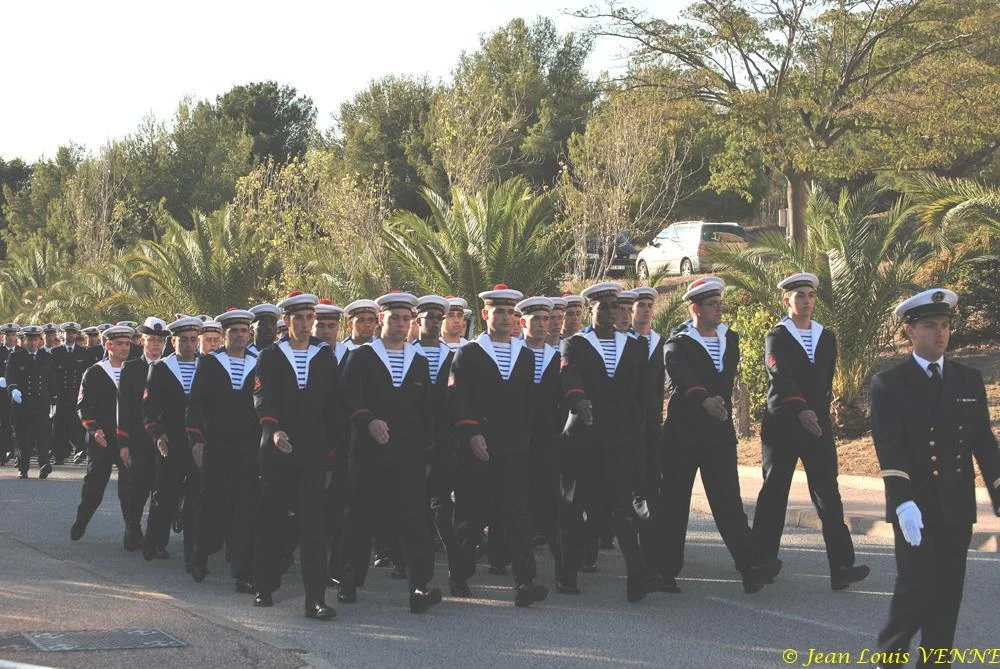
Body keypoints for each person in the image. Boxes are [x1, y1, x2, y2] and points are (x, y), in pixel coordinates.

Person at [870, 288, 1000, 666]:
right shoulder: (889, 384)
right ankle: (889, 657)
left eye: (944, 326)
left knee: (947, 597)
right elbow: (889, 448)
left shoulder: (968, 379)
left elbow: (984, 444)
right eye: (930, 326)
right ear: (910, 331)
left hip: (957, 505)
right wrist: (902, 501)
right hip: (916, 506)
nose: (940, 333)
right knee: (917, 591)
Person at [659, 278, 782, 594]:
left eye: (719, 303)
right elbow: (681, 374)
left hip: (718, 433)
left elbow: (721, 379)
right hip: (683, 434)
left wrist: (716, 403)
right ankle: (664, 570)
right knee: (675, 503)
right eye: (712, 304)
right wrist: (704, 399)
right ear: (695, 307)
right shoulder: (678, 342)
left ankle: (750, 567)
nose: (719, 309)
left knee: (728, 502)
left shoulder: (731, 339)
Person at [751, 272, 869, 590]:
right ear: (786, 300)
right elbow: (781, 375)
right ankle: (760, 562)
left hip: (816, 426)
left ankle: (842, 566)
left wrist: (818, 413)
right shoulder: (776, 337)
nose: (806, 301)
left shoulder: (825, 336)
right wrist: (800, 409)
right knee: (775, 492)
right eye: (799, 295)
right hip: (783, 425)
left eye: (810, 295)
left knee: (828, 493)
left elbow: (825, 380)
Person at [337, 291, 442, 613]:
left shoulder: (419, 361)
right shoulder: (362, 357)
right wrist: (367, 421)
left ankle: (419, 586)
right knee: (360, 516)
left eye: (406, 319)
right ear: (381, 319)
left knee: (414, 520)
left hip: (407, 456)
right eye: (394, 318)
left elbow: (427, 412)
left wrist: (427, 455)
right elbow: (348, 397)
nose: (400, 325)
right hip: (368, 454)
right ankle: (349, 581)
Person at [449, 284, 549, 607]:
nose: (505, 317)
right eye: (499, 311)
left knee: (517, 517)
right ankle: (460, 574)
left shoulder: (525, 355)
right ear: (485, 314)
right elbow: (458, 399)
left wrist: (527, 442)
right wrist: (471, 433)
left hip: (513, 451)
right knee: (471, 517)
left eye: (510, 312)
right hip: (477, 449)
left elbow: (529, 406)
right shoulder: (469, 353)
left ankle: (524, 583)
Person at [558, 282, 655, 602]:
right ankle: (567, 574)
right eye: (604, 307)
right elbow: (569, 376)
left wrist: (637, 436)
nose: (611, 313)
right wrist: (580, 401)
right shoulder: (576, 344)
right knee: (575, 507)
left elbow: (640, 397)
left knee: (621, 509)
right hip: (583, 441)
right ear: (591, 309)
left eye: (616, 307)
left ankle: (637, 577)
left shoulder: (635, 346)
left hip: (619, 441)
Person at [253, 291, 341, 620]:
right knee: (272, 521)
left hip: (314, 455)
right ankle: (264, 585)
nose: (305, 325)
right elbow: (263, 398)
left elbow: (334, 406)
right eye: (299, 319)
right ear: (286, 321)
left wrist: (330, 452)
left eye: (309, 319)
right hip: (278, 452)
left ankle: (314, 600)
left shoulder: (324, 356)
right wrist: (274, 430)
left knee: (313, 529)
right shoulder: (270, 356)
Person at [187, 309, 261, 594]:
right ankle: (200, 555)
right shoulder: (209, 363)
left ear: (249, 334)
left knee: (246, 507)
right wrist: (196, 440)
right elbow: (195, 404)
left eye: (244, 331)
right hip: (216, 445)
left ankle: (242, 570)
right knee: (211, 505)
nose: (240, 336)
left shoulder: (259, 363)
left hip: (248, 448)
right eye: (234, 331)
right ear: (223, 335)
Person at [141, 316, 202, 567]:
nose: (188, 345)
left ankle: (193, 553)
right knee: (165, 494)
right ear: (173, 341)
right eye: (183, 340)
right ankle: (155, 540)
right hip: (171, 441)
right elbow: (149, 408)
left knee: (197, 498)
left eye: (192, 340)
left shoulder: (207, 366)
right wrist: (157, 435)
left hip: (199, 442)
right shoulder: (162, 368)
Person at [517, 296, 566, 588]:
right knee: (517, 504)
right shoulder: (513, 355)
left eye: (546, 320)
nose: (542, 325)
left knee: (550, 504)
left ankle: (562, 566)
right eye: (536, 319)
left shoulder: (556, 356)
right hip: (518, 438)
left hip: (548, 439)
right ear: (523, 322)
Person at [70, 325, 134, 544]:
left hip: (128, 439)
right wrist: (94, 429)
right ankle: (82, 520)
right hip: (102, 439)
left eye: (127, 343)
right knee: (94, 485)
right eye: (120, 344)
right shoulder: (95, 372)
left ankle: (132, 531)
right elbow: (83, 405)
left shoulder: (135, 370)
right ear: (108, 345)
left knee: (129, 488)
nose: (125, 348)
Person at [412, 295, 458, 579]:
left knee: (442, 501)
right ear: (418, 321)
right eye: (428, 318)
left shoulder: (453, 355)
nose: (433, 323)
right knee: (413, 501)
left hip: (443, 438)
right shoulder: (406, 352)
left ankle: (455, 564)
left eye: (437, 318)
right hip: (412, 437)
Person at [117, 317, 168, 552]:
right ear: (142, 341)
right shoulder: (131, 368)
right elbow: (125, 408)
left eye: (160, 341)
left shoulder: (170, 367)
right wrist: (123, 442)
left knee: (163, 490)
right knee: (137, 487)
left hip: (165, 440)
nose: (156, 345)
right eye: (151, 340)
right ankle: (132, 526)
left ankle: (156, 538)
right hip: (138, 439)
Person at [6, 325, 57, 479]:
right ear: (24, 340)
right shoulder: (16, 356)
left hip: (41, 403)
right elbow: (10, 376)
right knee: (23, 438)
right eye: (29, 339)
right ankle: (23, 468)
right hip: (22, 404)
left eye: (35, 339)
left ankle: (44, 464)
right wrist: (13, 389)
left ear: (40, 341)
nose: (32, 343)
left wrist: (54, 402)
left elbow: (52, 381)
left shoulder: (47, 357)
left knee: (42, 436)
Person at [50, 322, 90, 464]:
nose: (70, 335)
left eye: (73, 333)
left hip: (76, 394)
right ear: (63, 334)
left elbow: (86, 375)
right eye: (68, 332)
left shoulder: (83, 352)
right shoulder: (56, 352)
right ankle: (59, 454)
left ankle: (80, 450)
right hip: (61, 394)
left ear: (76, 334)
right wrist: (53, 393)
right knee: (59, 424)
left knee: (77, 423)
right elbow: (52, 375)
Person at [0, 323, 19, 466]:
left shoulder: (21, 352)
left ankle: (17, 453)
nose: (10, 338)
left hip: (17, 394)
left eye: (13, 335)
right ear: (3, 337)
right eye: (8, 335)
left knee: (17, 424)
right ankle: (2, 453)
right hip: (1, 395)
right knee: (3, 424)